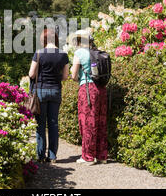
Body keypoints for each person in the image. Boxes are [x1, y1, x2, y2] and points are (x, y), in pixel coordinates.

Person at [29, 28, 69, 163]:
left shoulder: (39, 53)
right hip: (56, 91)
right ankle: (52, 156)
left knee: (40, 124)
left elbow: (31, 74)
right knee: (53, 124)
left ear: (44, 40)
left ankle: (40, 155)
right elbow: (65, 76)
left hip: (41, 91)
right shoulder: (63, 55)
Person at [69, 30, 108, 165]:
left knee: (87, 122)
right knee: (101, 121)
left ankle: (88, 156)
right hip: (101, 89)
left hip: (87, 90)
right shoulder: (98, 52)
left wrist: (76, 76)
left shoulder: (79, 53)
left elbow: (74, 75)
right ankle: (102, 155)